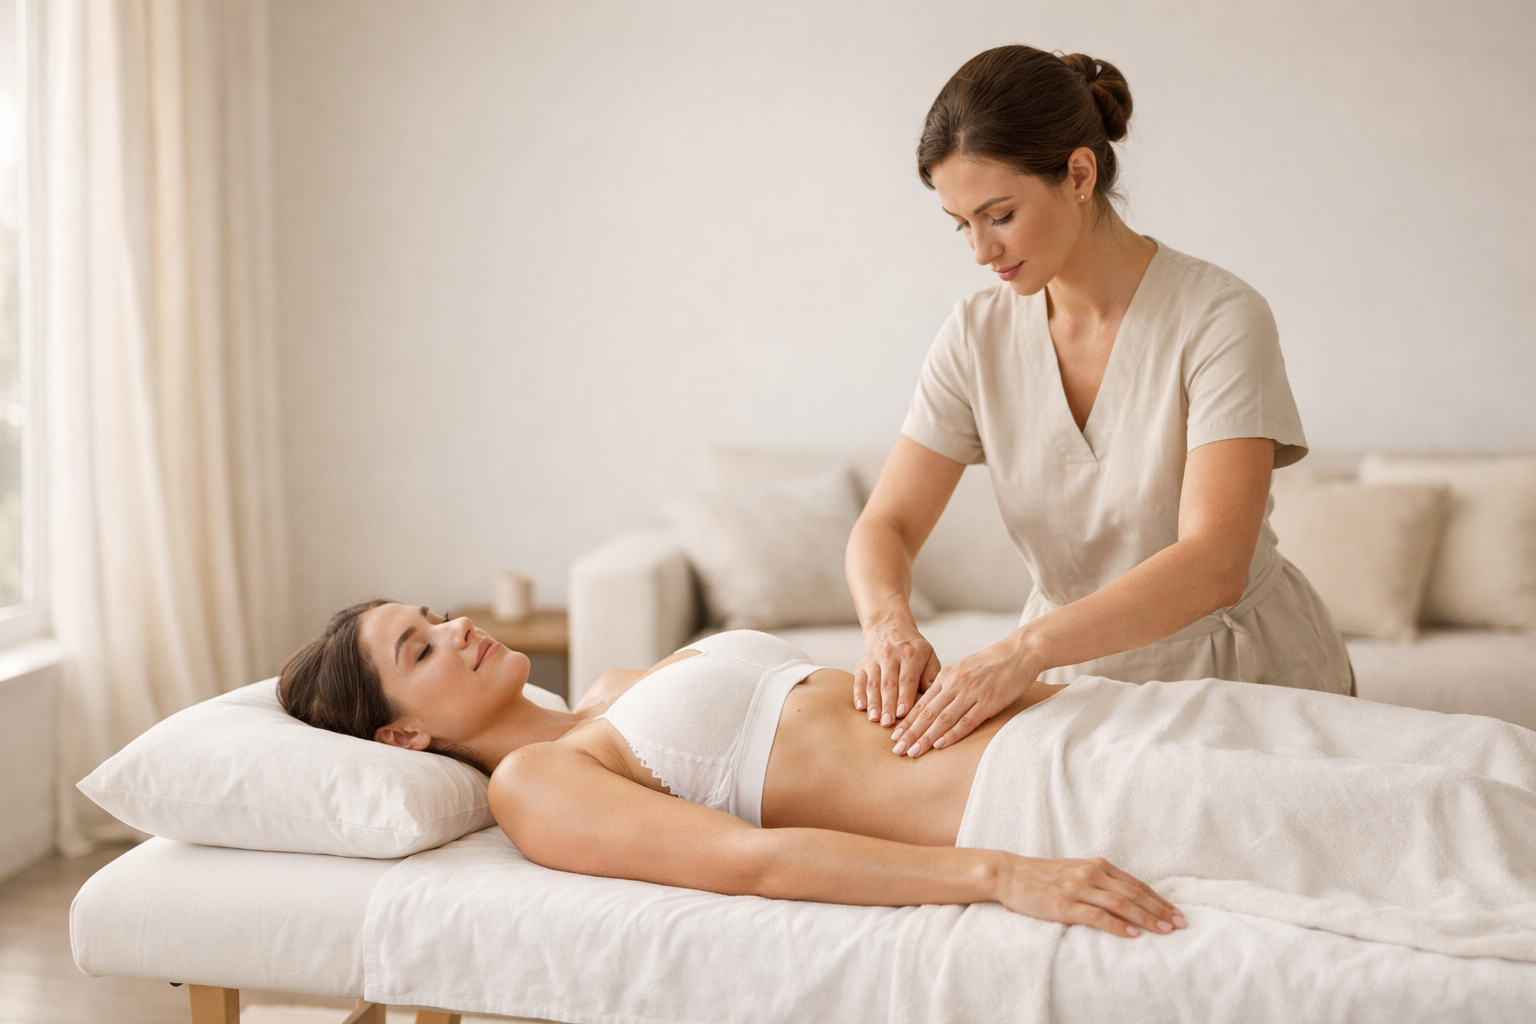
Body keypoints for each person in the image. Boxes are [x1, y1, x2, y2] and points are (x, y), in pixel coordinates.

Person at [845, 45, 1352, 760]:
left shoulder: (1221, 317)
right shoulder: (975, 336)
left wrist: (1020, 651)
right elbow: (886, 524)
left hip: (1241, 677)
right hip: (1070, 684)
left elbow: (1213, 561)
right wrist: (886, 623)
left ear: (1079, 174)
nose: (981, 251)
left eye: (1000, 215)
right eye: (961, 223)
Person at [281, 600, 1187, 940]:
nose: (457, 629)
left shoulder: (612, 689)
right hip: (1058, 790)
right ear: (402, 738)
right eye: (420, 648)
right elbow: (758, 862)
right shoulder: (538, 780)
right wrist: (999, 875)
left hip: (1094, 709)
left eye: (435, 616)